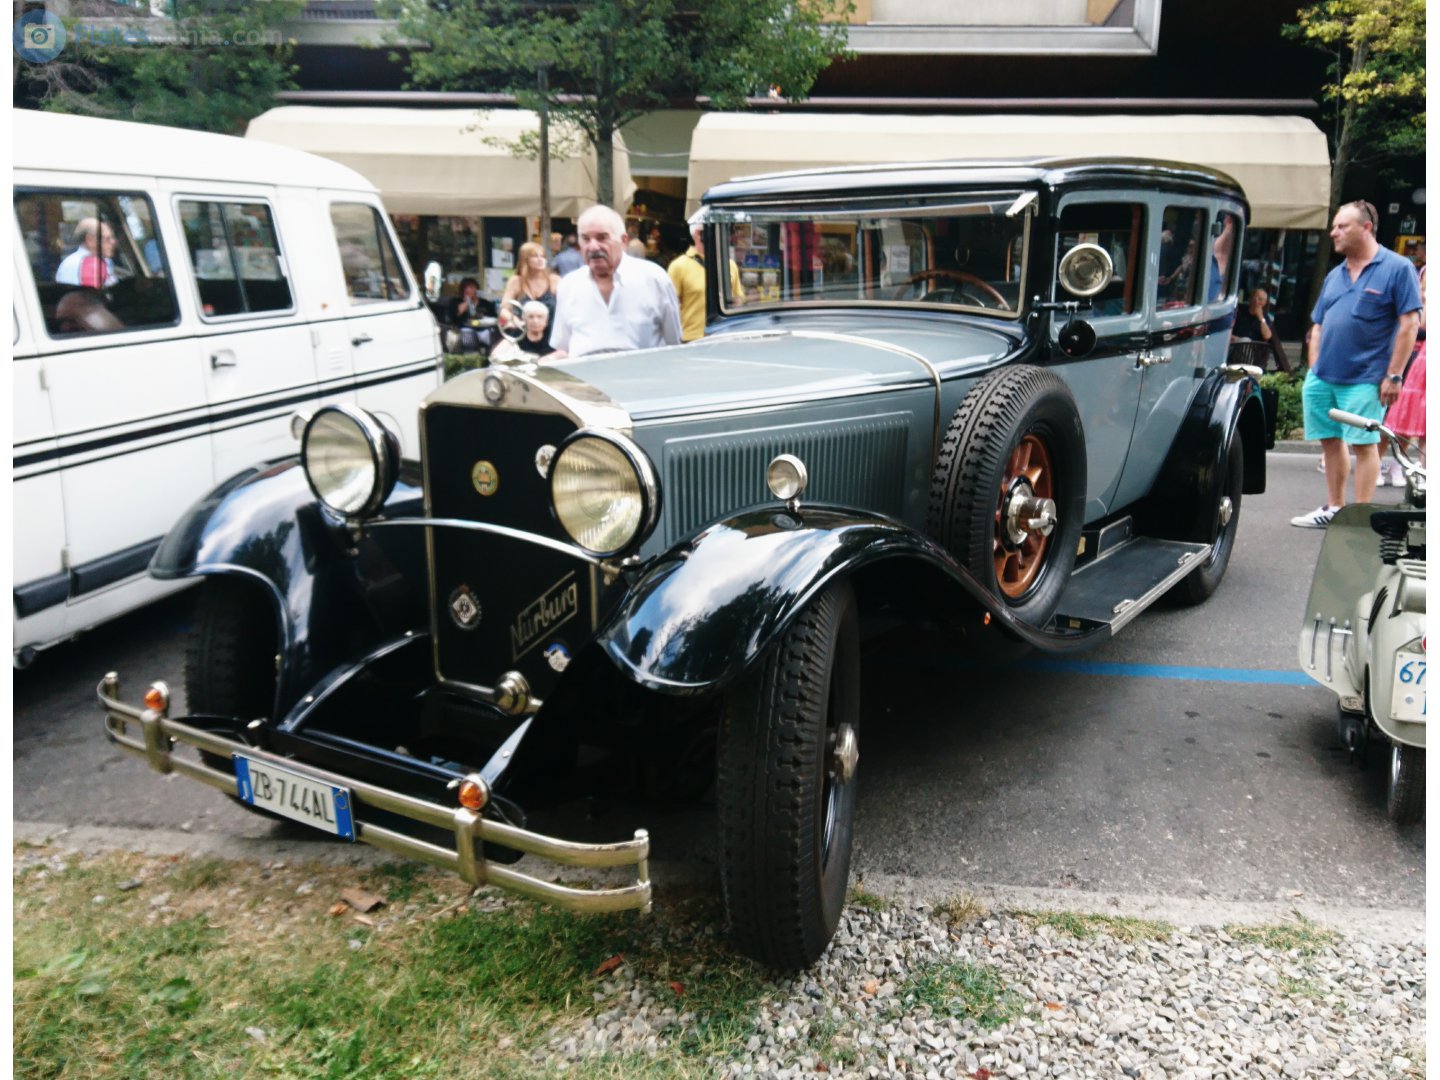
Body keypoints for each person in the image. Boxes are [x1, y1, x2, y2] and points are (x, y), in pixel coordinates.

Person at [1290, 200, 1422, 528]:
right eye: (1334, 226)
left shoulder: (1397, 268)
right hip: (1323, 378)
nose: (1333, 232)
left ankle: (1362, 518)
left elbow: (1409, 325)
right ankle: (1335, 508)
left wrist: (1394, 374)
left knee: (1364, 446)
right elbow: (1318, 325)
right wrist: (1313, 370)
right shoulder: (1336, 274)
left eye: (1341, 226)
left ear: (1366, 228)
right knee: (1331, 442)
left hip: (1366, 378)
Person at [548, 204, 680, 358]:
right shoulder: (569, 285)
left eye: (602, 237)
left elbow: (674, 345)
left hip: (641, 378)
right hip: (585, 380)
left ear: (623, 241)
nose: (593, 246)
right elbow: (564, 348)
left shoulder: (654, 279)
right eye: (585, 239)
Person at [1381, 265, 1426, 484]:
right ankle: (1380, 460)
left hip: (1423, 355)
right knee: (1398, 415)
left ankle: (1400, 466)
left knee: (1421, 421)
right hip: (1411, 356)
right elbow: (1419, 325)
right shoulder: (1416, 297)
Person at [667, 213, 743, 342]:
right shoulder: (678, 266)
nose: (723, 236)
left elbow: (738, 300)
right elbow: (670, 309)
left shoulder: (729, 265)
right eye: (715, 230)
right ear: (698, 234)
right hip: (692, 340)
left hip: (723, 338)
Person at [500, 241, 560, 328]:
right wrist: (515, 321)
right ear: (525, 259)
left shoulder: (554, 280)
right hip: (523, 332)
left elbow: (568, 308)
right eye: (535, 256)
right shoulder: (516, 281)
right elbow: (504, 309)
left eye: (543, 256)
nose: (540, 259)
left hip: (550, 335)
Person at [55, 218, 117, 286]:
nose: (113, 242)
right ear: (90, 240)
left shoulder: (105, 261)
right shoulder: (77, 264)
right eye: (107, 239)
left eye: (112, 237)